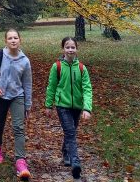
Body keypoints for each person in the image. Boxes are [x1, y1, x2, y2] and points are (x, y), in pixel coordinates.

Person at [0, 28, 33, 180]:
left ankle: (20, 161)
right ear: (6, 41)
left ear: (20, 40)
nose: (13, 40)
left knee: (19, 128)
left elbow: (27, 83)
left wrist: (28, 104)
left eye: (15, 38)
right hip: (1, 95)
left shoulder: (25, 60)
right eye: (10, 38)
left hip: (18, 96)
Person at [44, 36, 93, 180]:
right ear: (63, 49)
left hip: (77, 106)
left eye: (73, 47)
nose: (70, 50)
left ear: (76, 49)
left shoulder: (82, 68)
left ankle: (65, 152)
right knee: (70, 132)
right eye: (67, 47)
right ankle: (75, 163)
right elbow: (51, 86)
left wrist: (87, 108)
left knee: (71, 131)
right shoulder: (57, 67)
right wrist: (48, 105)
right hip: (62, 106)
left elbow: (87, 89)